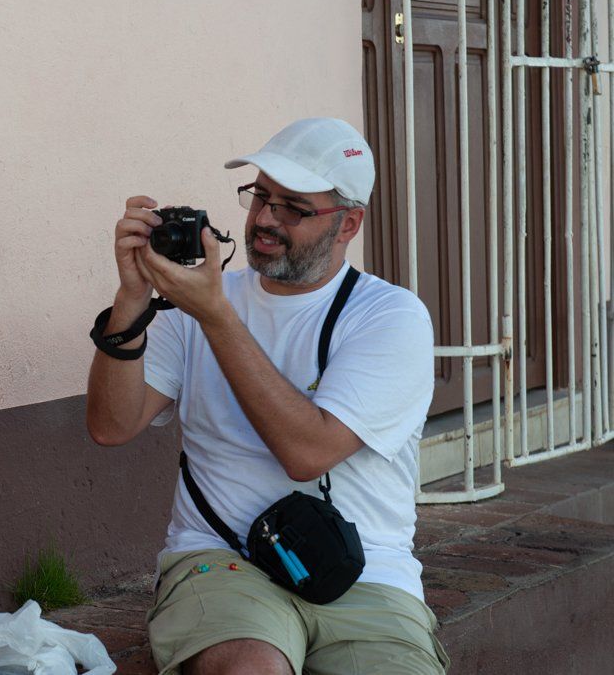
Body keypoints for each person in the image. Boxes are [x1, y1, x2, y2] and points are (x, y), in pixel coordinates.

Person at [86, 118, 450, 675]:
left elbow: (307, 453)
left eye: (293, 208)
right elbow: (111, 426)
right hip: (222, 560)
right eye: (260, 196)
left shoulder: (389, 317)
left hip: (365, 573)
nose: (264, 220)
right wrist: (131, 300)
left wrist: (215, 317)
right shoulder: (198, 301)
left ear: (349, 222)